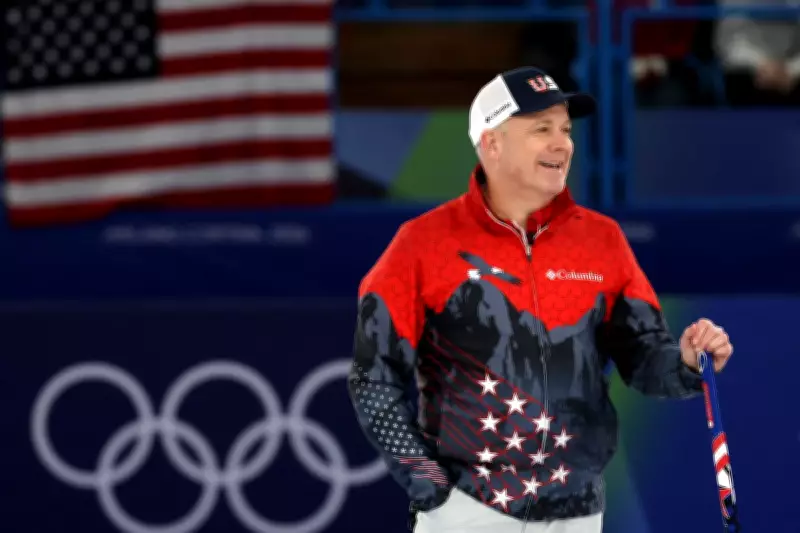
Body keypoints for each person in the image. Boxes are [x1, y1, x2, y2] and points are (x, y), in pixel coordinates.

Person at [347, 66, 733, 533]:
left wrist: (686, 364)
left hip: (579, 514)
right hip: (468, 513)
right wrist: (429, 487)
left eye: (566, 129)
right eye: (541, 129)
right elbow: (373, 378)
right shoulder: (421, 243)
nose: (562, 143)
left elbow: (644, 357)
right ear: (492, 143)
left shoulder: (602, 240)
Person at [715, 0, 800, 106]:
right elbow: (727, 41)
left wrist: (792, 69)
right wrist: (761, 64)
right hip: (746, 75)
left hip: (793, 76)